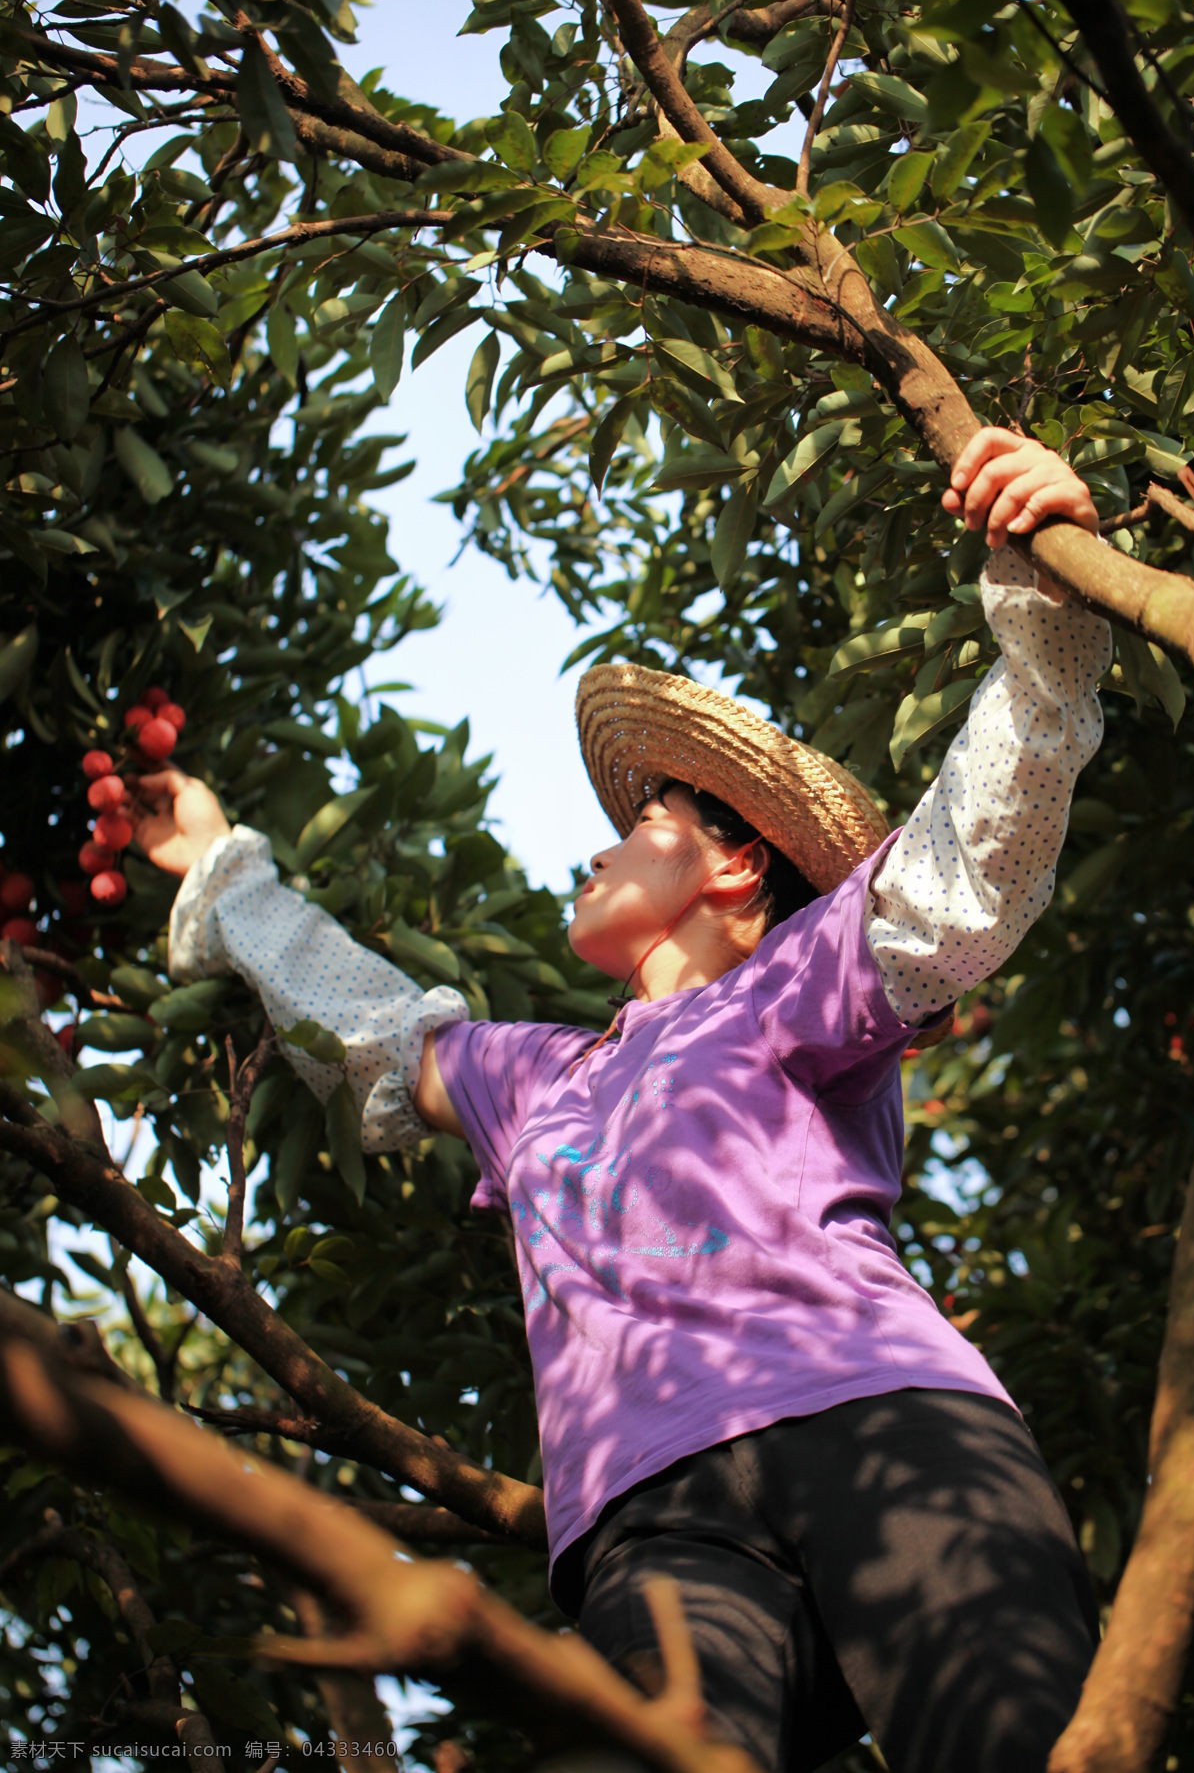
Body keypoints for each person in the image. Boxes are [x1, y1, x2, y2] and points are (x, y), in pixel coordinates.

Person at [132, 427, 1111, 1773]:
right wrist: (219, 871)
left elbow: (964, 873)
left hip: (886, 1422)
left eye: (647, 819)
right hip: (654, 1517)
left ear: (738, 865)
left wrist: (1044, 609)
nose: (597, 840)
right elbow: (361, 1028)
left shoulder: (799, 984)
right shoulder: (533, 1076)